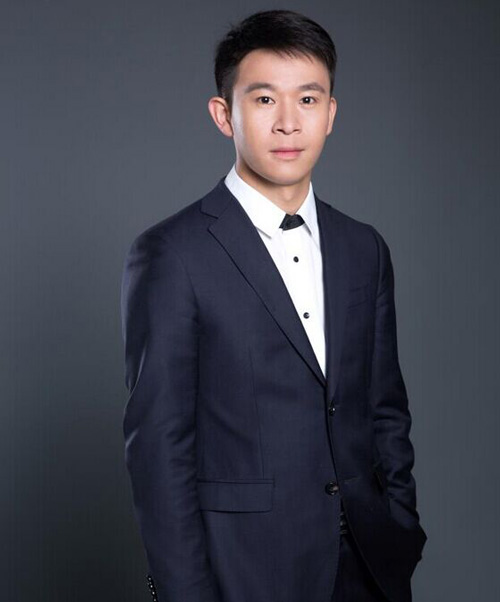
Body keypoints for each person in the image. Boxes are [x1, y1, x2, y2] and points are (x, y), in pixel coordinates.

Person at [120, 9, 428, 602]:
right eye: (264, 100)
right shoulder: (171, 254)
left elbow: (385, 407)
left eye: (308, 100)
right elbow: (158, 449)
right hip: (245, 572)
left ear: (330, 113)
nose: (288, 122)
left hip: (369, 567)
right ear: (224, 115)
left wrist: (400, 524)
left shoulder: (363, 247)